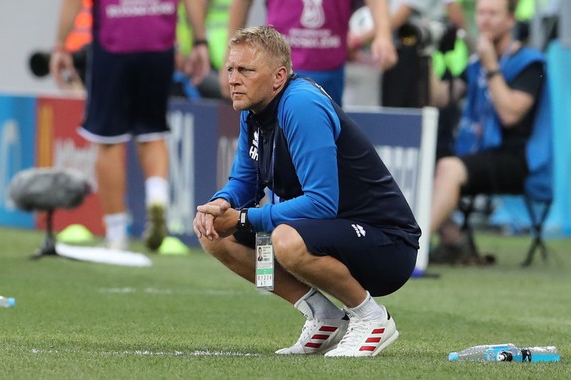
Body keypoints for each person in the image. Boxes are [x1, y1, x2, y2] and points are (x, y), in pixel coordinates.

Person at [193, 26, 420, 357]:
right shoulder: (253, 109)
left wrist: (242, 219)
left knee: (284, 240)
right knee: (214, 233)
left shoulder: (300, 104)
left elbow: (321, 203)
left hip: (387, 244)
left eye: (246, 70)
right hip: (329, 233)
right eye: (230, 69)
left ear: (278, 76)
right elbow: (246, 180)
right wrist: (220, 204)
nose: (233, 79)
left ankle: (371, 318)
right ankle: (323, 314)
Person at [50, 0, 210, 250]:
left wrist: (60, 45)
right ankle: (157, 200)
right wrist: (200, 41)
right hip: (159, 42)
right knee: (153, 132)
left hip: (114, 41)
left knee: (108, 140)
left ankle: (116, 235)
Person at [428, 0, 549, 258]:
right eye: (481, 13)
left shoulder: (529, 63)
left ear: (510, 20)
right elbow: (439, 98)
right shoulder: (474, 64)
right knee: (424, 163)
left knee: (449, 167)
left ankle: (412, 251)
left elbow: (509, 115)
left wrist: (492, 65)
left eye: (494, 14)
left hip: (515, 159)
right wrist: (426, 52)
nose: (485, 20)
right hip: (476, 153)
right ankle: (454, 238)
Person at [217, 0, 398, 106]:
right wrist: (231, 56)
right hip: (279, 68)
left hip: (329, 68)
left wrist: (383, 34)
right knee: (275, 148)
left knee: (323, 146)